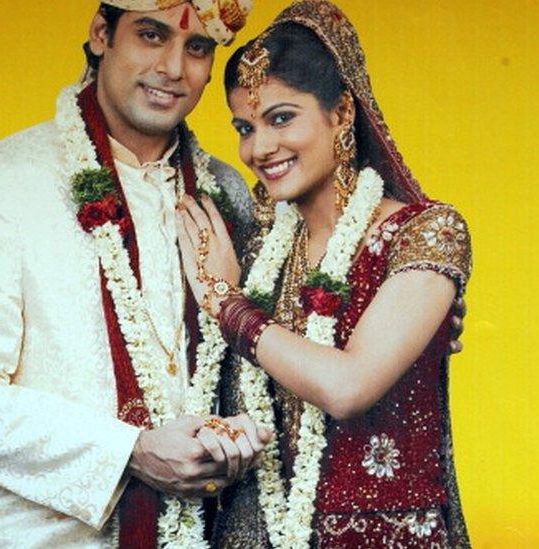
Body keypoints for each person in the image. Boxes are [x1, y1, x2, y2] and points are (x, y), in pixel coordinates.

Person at [0, 1, 273, 547]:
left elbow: (272, 354)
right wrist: (129, 451)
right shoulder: (1, 182)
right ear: (102, 33)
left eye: (197, 47)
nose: (174, 69)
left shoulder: (228, 195)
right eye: (151, 36)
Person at [174, 1, 472, 546]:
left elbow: (348, 386)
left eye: (281, 118)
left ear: (341, 113)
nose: (259, 148)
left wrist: (225, 303)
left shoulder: (424, 234)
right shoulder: (258, 248)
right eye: (245, 127)